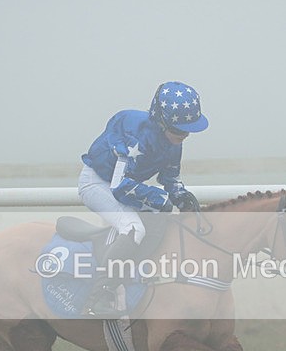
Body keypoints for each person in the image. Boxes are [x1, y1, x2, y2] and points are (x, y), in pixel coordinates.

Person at [78, 81, 209, 316]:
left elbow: (170, 177)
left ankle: (132, 273)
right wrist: (160, 198)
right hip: (97, 183)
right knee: (133, 228)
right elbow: (119, 187)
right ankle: (98, 295)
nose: (185, 135)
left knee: (160, 222)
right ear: (161, 122)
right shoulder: (135, 132)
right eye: (179, 130)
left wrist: (182, 196)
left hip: (123, 184)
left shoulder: (172, 142)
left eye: (189, 130)